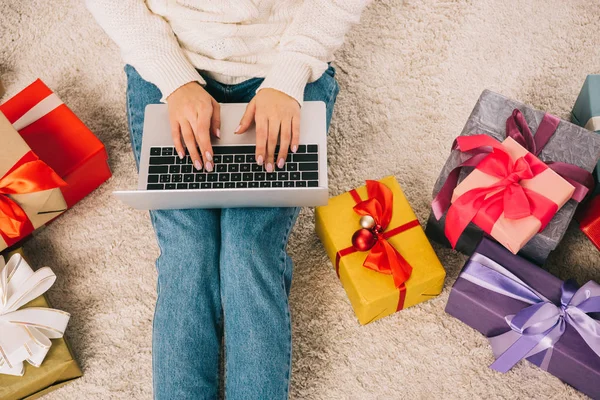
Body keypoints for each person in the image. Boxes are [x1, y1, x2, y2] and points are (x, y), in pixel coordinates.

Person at [86, 1, 368, 399]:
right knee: (188, 250)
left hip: (281, 63)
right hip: (168, 59)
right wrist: (174, 78)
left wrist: (289, 75)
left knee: (248, 249)